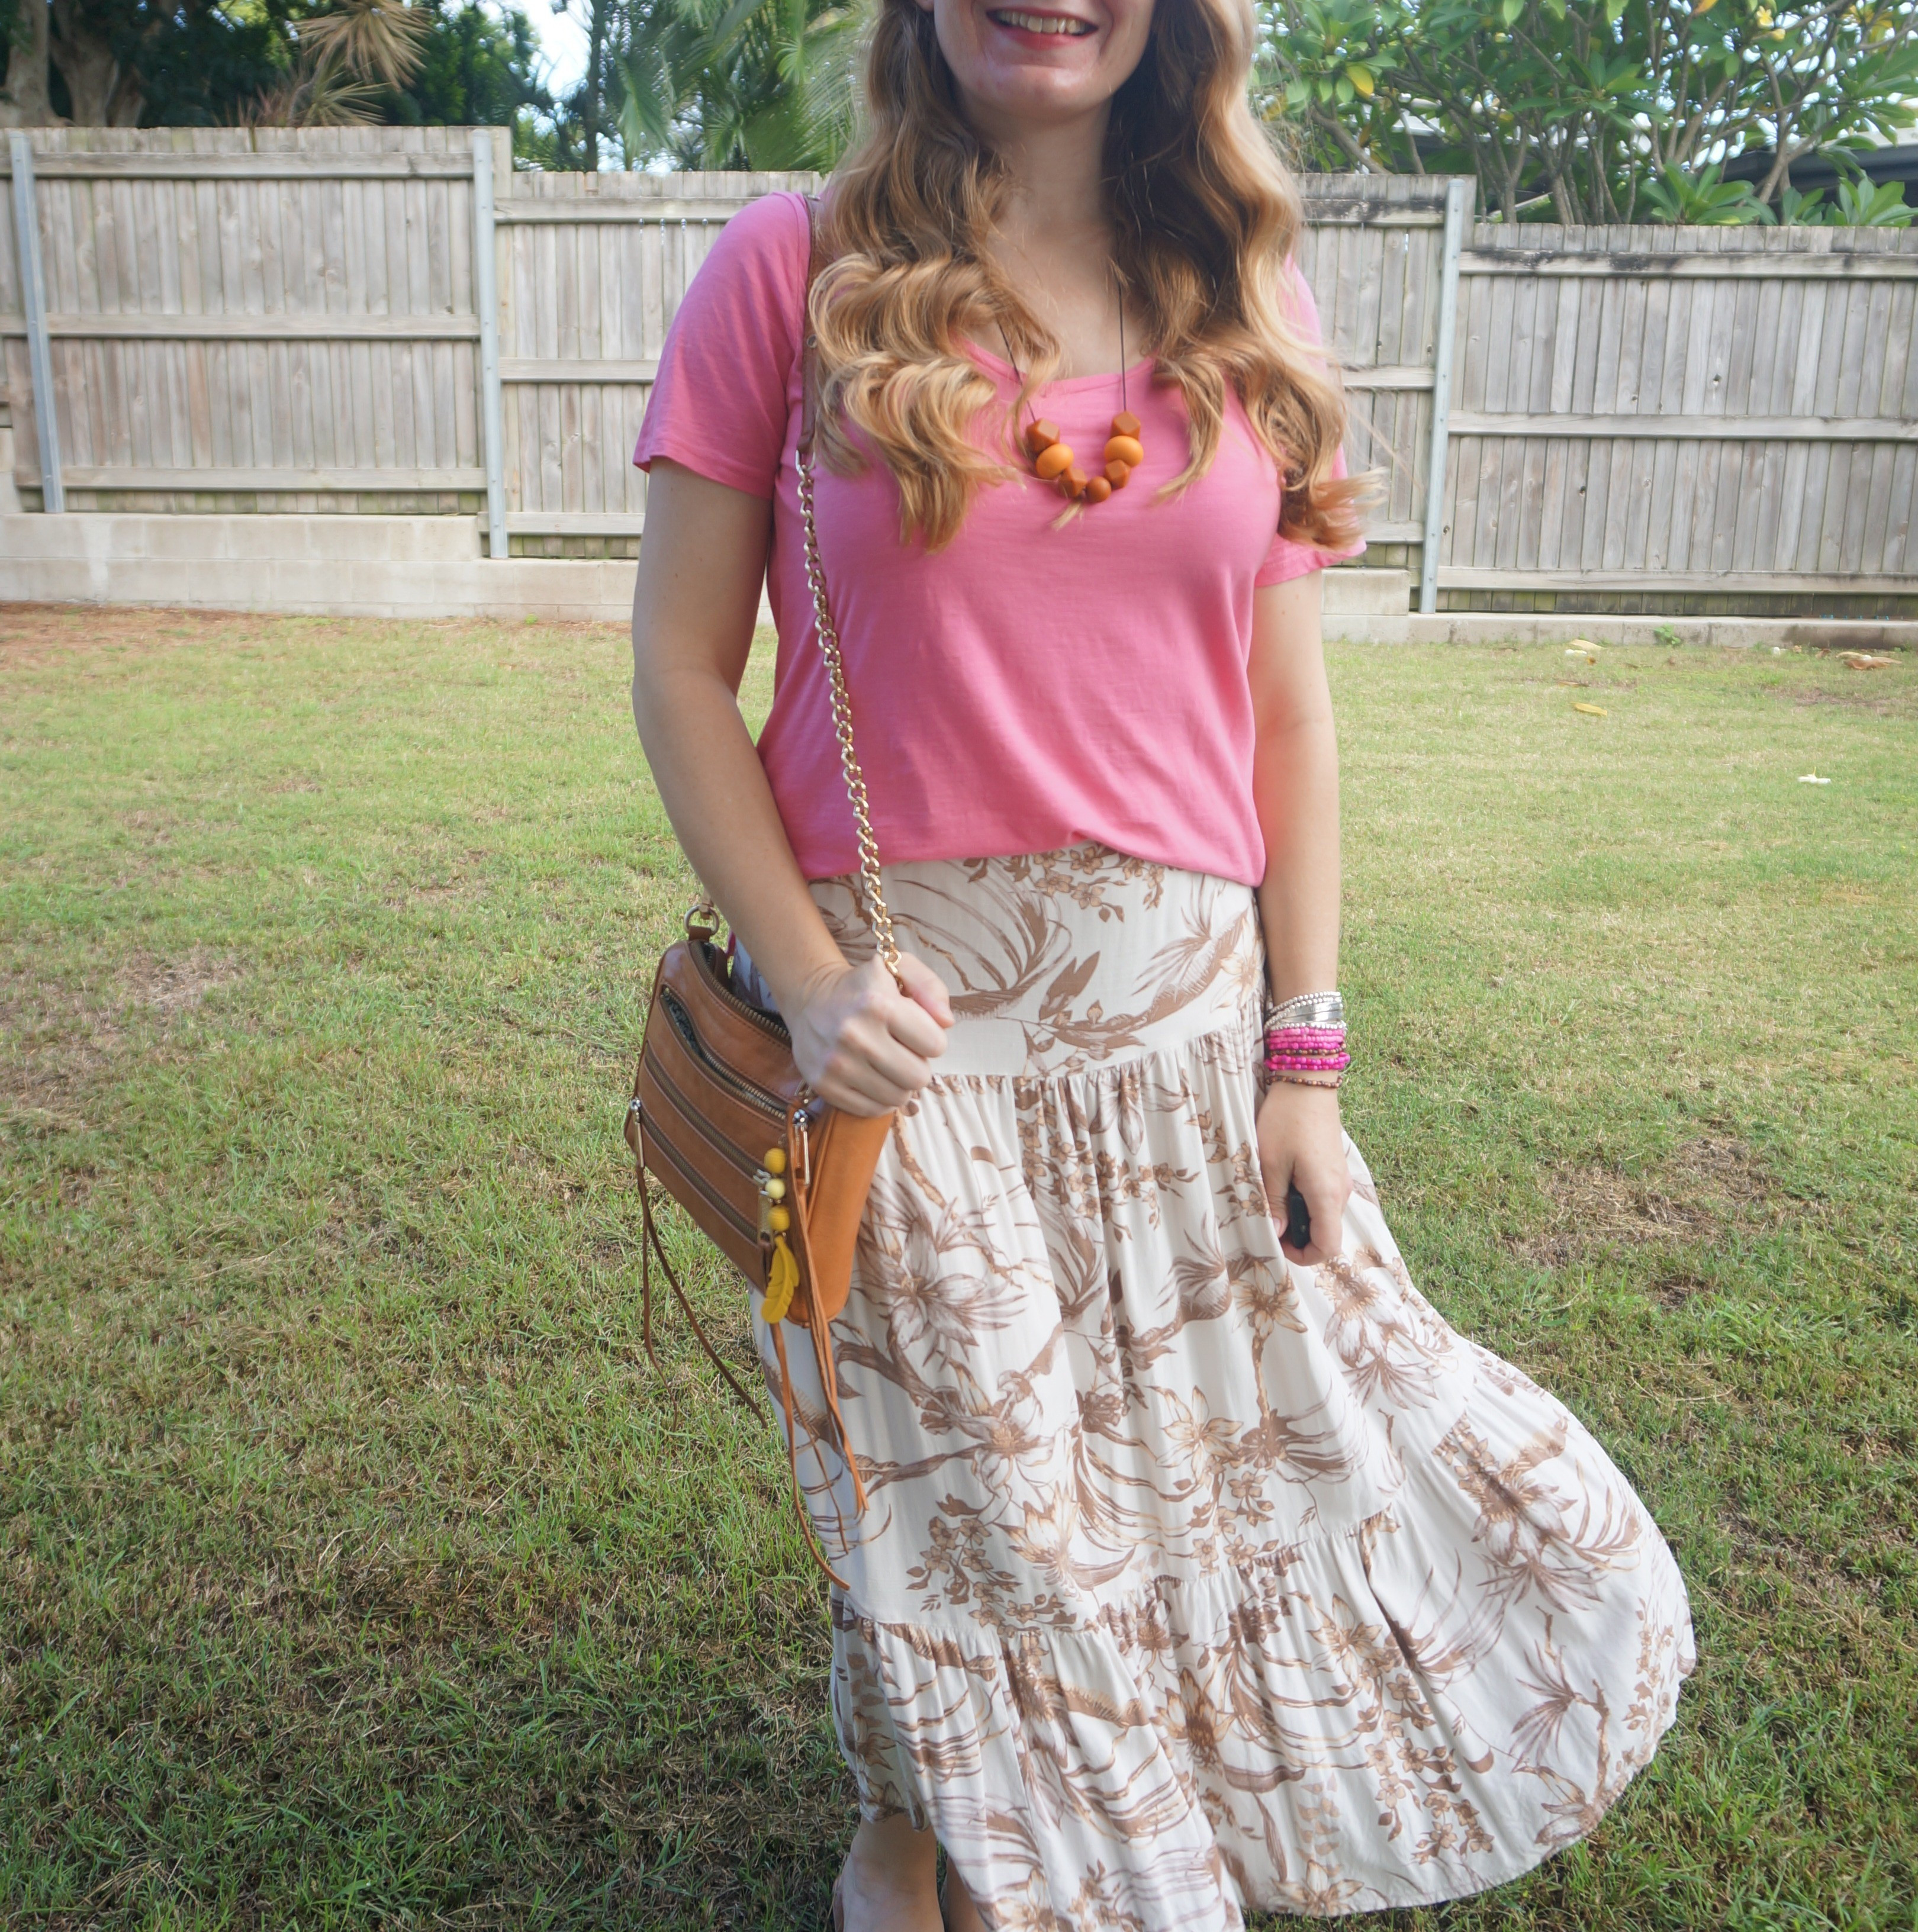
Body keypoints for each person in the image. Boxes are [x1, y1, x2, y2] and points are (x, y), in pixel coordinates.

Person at [627, 0, 1695, 1921]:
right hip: (908, 1051)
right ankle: (955, 1852)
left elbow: (1286, 721)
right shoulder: (791, 274)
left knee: (1229, 1477)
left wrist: (1307, 1059)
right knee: (994, 1519)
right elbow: (681, 670)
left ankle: (937, 1815)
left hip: (1188, 1046)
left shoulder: (1241, 299)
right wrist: (810, 981)